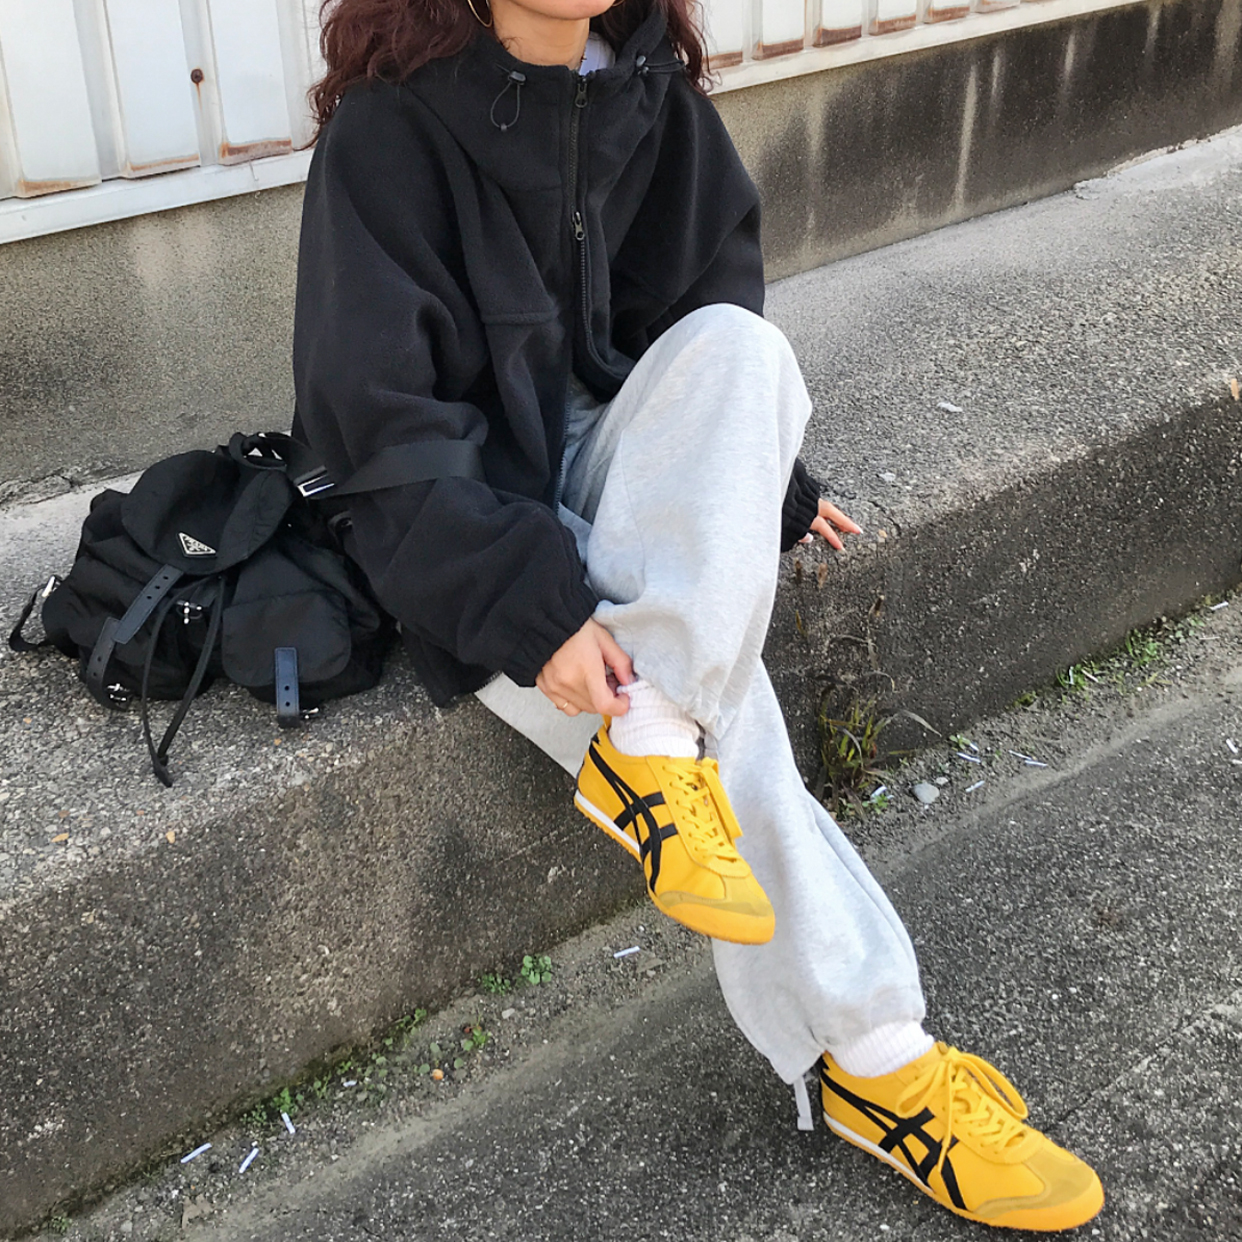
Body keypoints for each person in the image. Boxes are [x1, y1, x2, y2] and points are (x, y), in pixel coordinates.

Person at [291, 0, 1104, 1228]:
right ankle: (877, 1060)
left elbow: (699, 342)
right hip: (465, 530)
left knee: (749, 353)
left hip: (615, 478)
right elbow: (381, 435)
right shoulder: (386, 135)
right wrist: (533, 610)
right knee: (733, 718)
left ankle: (652, 740)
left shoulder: (651, 98)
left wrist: (766, 484)